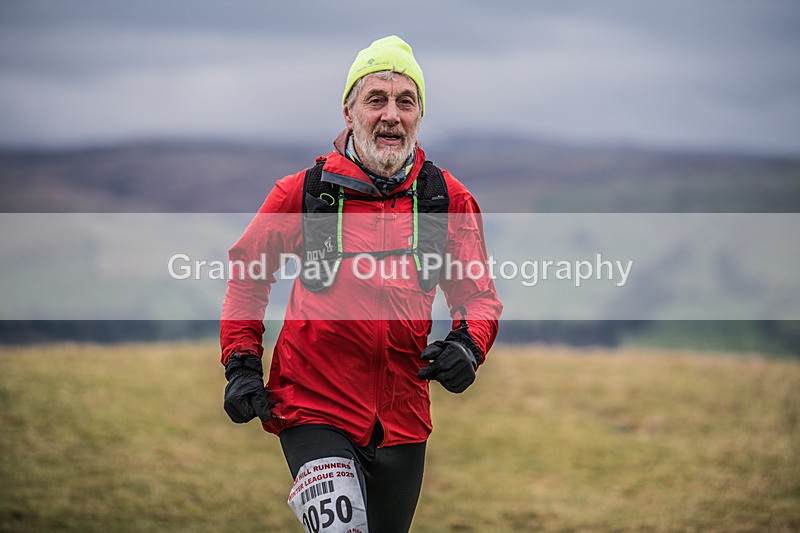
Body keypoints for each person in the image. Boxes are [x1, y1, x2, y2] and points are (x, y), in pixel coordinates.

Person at [220, 35, 502, 533]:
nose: (390, 115)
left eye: (405, 101)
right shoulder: (305, 193)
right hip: (313, 407)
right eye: (376, 100)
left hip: (404, 419)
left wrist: (468, 344)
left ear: (419, 115)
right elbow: (248, 276)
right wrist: (241, 364)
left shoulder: (446, 198)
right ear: (349, 113)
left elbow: (477, 295)